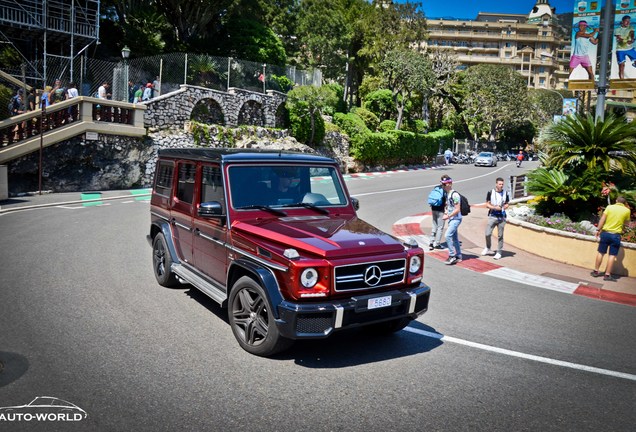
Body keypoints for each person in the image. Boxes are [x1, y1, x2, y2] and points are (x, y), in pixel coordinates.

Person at [590, 196, 631, 281]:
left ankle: (596, 271)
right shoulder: (627, 211)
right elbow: (626, 224)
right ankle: (607, 275)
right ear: (624, 203)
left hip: (605, 233)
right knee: (612, 255)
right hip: (615, 235)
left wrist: (598, 229)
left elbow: (602, 219)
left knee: (601, 252)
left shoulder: (609, 207)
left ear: (616, 201)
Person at [482, 177, 510, 260]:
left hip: (502, 217)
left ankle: (499, 252)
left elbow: (507, 204)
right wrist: (494, 208)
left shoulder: (505, 193)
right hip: (492, 216)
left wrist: (503, 207)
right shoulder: (490, 192)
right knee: (487, 233)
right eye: (499, 184)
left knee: (500, 235)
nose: (501, 186)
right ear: (496, 184)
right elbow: (487, 204)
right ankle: (488, 247)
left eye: (502, 184)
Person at [441, 177, 462, 265]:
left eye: (444, 184)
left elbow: (457, 209)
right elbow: (449, 206)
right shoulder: (448, 194)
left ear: (449, 184)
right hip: (451, 219)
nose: (443, 186)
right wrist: (446, 211)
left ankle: (452, 256)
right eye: (442, 184)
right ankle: (459, 255)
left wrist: (448, 216)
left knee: (447, 236)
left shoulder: (455, 195)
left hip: (456, 219)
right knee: (454, 238)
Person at [429, 175, 449, 251]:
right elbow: (447, 201)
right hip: (441, 210)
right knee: (440, 227)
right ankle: (437, 244)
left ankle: (431, 243)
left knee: (434, 226)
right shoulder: (446, 190)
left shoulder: (436, 187)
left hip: (433, 208)